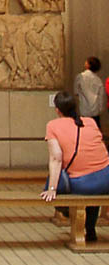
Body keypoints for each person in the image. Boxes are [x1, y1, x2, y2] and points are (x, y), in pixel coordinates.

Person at [40, 91, 109, 242]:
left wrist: (52, 189)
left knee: (79, 187)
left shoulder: (53, 126)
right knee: (95, 189)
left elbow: (56, 158)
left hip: (83, 183)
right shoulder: (90, 122)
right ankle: (90, 229)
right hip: (106, 178)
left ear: (57, 110)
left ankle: (69, 214)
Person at [74, 56, 104, 128]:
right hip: (95, 110)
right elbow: (101, 96)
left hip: (84, 110)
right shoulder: (98, 80)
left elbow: (76, 92)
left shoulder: (80, 77)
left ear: (88, 65)